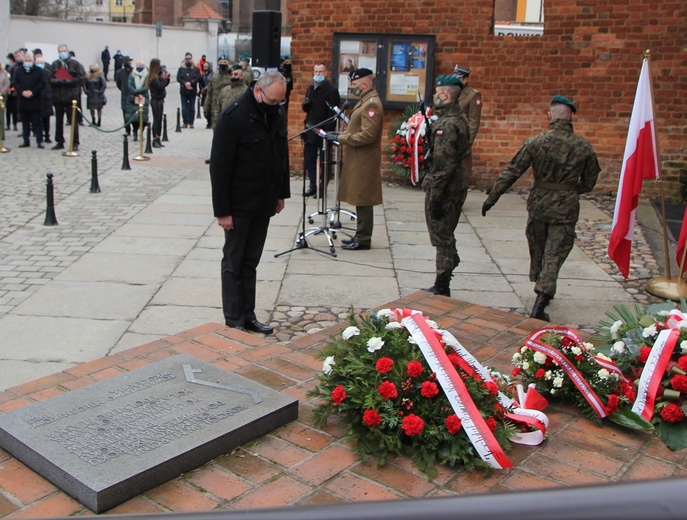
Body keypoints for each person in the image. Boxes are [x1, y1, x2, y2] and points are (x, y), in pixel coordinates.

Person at [482, 95, 601, 321]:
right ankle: (543, 295)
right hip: (566, 207)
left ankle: (542, 287)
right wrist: (571, 189)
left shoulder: (535, 142)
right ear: (572, 116)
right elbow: (589, 181)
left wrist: (492, 198)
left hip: (539, 205)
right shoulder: (583, 146)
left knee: (538, 247)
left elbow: (513, 171)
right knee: (555, 253)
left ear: (549, 115)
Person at [209, 70, 290, 333]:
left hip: (263, 201)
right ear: (258, 91)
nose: (277, 105)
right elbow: (219, 168)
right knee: (233, 263)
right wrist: (222, 211)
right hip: (238, 204)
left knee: (251, 262)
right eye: (273, 101)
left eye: (281, 101)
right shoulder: (233, 117)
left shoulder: (275, 112)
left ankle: (248, 315)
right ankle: (234, 320)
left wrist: (281, 193)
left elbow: (281, 154)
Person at [422, 75, 470, 297]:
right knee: (444, 234)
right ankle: (447, 266)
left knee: (442, 236)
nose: (434, 96)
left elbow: (443, 165)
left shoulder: (448, 124)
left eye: (437, 92)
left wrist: (435, 197)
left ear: (444, 95)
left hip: (446, 189)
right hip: (454, 186)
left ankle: (442, 284)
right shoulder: (457, 118)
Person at [327, 68, 383, 251]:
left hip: (365, 159)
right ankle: (360, 235)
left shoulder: (371, 104)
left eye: (355, 84)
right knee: (360, 197)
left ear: (364, 84)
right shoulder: (365, 101)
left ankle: (364, 238)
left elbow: (368, 135)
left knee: (364, 199)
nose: (352, 87)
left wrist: (341, 138)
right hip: (359, 157)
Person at [301, 62, 340, 197]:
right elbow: (307, 108)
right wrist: (305, 104)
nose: (317, 74)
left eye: (320, 72)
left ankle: (322, 187)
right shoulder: (311, 88)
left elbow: (333, 113)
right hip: (311, 128)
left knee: (325, 161)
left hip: (323, 129)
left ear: (325, 73)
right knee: (309, 160)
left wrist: (328, 132)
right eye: (316, 72)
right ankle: (313, 184)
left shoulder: (331, 90)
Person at [49, 43, 86, 151]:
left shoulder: (75, 64)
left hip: (71, 97)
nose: (62, 53)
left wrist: (68, 81)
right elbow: (50, 79)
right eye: (60, 51)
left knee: (73, 121)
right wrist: (59, 81)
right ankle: (59, 141)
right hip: (58, 97)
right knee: (59, 121)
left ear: (68, 51)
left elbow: (81, 78)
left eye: (64, 51)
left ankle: (75, 142)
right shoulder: (55, 64)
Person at [453, 65, 482, 181]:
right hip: (450, 136)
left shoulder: (473, 95)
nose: (456, 81)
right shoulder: (452, 92)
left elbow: (474, 121)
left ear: (465, 79)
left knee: (462, 172)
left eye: (458, 78)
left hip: (462, 137)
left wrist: (468, 142)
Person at [13, 50, 46, 148]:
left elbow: (42, 83)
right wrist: (22, 92)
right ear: (23, 61)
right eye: (26, 60)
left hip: (35, 100)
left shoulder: (39, 70)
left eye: (29, 60)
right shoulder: (19, 70)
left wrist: (33, 92)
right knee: (25, 122)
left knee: (37, 122)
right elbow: (15, 83)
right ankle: (26, 140)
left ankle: (39, 140)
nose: (28, 61)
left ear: (33, 60)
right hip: (23, 100)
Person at [203, 55, 232, 131]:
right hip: (215, 108)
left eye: (224, 62)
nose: (223, 63)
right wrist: (206, 108)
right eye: (221, 62)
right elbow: (209, 93)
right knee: (216, 131)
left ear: (228, 63)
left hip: (227, 106)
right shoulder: (215, 76)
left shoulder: (231, 76)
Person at [147, 58, 170, 148]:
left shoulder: (158, 76)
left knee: (160, 120)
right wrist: (164, 78)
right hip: (155, 100)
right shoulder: (152, 77)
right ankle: (154, 139)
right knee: (156, 120)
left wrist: (166, 79)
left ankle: (158, 138)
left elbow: (163, 85)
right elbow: (160, 86)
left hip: (160, 99)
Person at [125, 60, 149, 141]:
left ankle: (141, 133)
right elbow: (129, 84)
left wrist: (139, 91)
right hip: (133, 98)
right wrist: (135, 91)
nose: (140, 66)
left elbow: (147, 85)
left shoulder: (147, 75)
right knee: (134, 118)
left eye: (141, 65)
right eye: (138, 65)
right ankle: (135, 132)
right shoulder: (132, 74)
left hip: (143, 97)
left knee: (143, 118)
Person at [33, 49, 54, 143]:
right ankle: (39, 135)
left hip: (47, 98)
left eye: (41, 62)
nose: (40, 64)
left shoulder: (48, 73)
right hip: (37, 98)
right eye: (38, 63)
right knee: (38, 118)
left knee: (47, 118)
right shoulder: (34, 73)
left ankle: (47, 135)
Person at [177, 52, 200, 128]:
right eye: (186, 59)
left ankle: (191, 122)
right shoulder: (181, 69)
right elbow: (178, 78)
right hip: (184, 91)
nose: (188, 61)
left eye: (189, 59)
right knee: (184, 108)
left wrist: (191, 82)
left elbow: (198, 78)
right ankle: (185, 122)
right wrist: (184, 83)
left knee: (192, 108)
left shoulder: (196, 69)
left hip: (192, 91)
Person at [115, 55, 133, 137]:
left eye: (129, 61)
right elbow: (118, 84)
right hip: (125, 95)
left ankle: (135, 130)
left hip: (133, 94)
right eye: (127, 61)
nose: (128, 63)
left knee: (133, 113)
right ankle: (127, 129)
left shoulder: (133, 71)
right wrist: (123, 89)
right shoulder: (119, 72)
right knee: (125, 113)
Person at [5, 53, 19, 130]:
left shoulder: (15, 67)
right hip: (8, 90)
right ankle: (8, 124)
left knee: (14, 109)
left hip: (13, 89)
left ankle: (14, 124)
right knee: (8, 109)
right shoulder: (8, 67)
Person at [199, 60, 213, 128]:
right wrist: (201, 89)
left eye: (206, 66)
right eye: (204, 66)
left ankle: (210, 122)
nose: (205, 67)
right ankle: (208, 121)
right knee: (205, 108)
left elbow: (211, 83)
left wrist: (205, 89)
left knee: (209, 108)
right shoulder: (203, 74)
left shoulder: (212, 74)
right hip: (204, 94)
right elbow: (201, 82)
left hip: (209, 93)